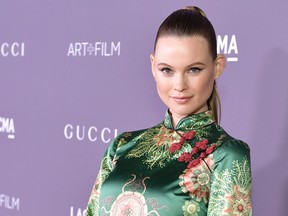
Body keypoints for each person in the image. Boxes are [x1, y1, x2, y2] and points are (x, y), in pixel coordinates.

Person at [86, 6, 252, 216]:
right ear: (153, 66)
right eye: (167, 70)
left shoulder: (225, 154)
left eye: (194, 70)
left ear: (217, 67)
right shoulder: (121, 146)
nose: (179, 85)